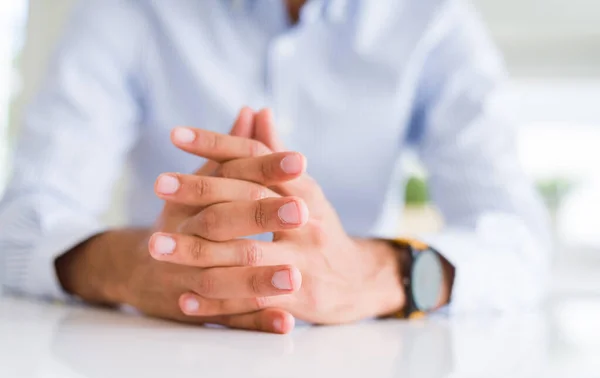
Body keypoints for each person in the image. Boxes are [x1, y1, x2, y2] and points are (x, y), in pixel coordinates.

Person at [0, 0, 550, 334]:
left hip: (359, 363)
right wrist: (133, 266)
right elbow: (20, 224)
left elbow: (521, 240)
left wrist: (381, 274)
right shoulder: (126, 10)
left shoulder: (434, 20)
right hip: (161, 347)